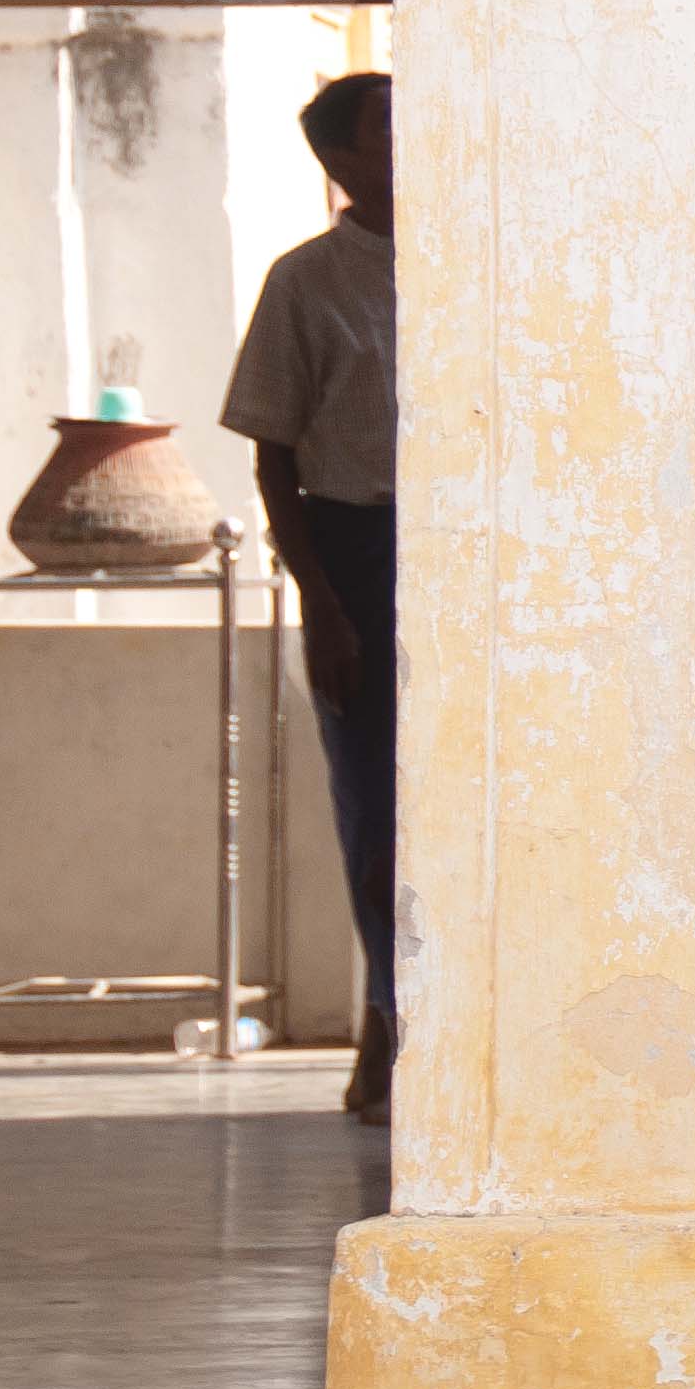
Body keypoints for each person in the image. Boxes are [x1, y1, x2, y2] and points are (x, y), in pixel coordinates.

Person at [223, 71, 396, 1124]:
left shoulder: (475, 264)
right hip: (356, 553)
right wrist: (323, 605)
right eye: (388, 127)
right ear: (342, 161)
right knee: (376, 807)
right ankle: (387, 1017)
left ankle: (416, 1026)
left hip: (460, 555)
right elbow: (272, 458)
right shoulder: (305, 283)